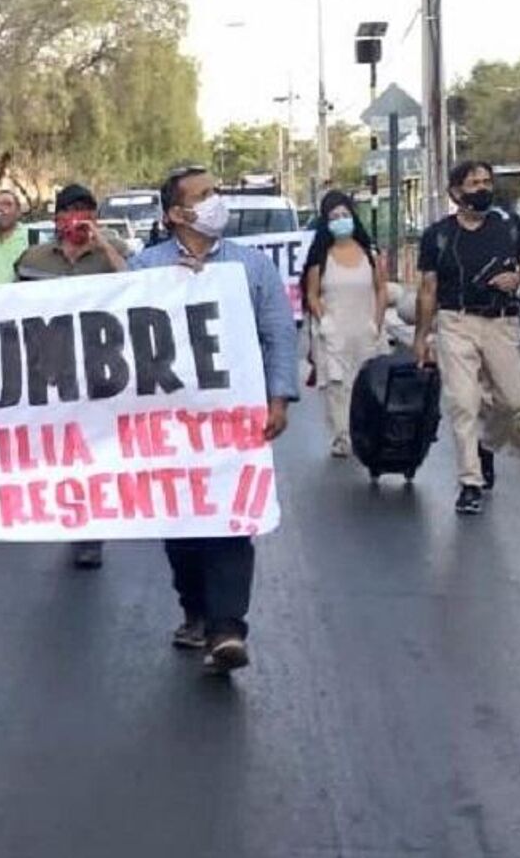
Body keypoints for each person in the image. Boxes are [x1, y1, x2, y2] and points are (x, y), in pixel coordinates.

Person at [133, 167, 297, 675]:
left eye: (215, 192)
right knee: (181, 523)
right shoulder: (143, 269)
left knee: (230, 518)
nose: (215, 202)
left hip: (233, 424)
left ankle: (228, 627)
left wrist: (279, 397)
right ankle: (196, 609)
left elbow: (279, 334)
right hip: (168, 426)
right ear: (176, 215)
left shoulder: (252, 267)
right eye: (203, 196)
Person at [413, 161, 520, 515]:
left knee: (512, 401)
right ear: (456, 192)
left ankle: (488, 446)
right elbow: (427, 289)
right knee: (464, 403)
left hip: (501, 323)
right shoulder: (438, 235)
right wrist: (421, 337)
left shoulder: (510, 227)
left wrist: (517, 279)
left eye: (486, 182)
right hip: (456, 322)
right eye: (473, 183)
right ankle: (470, 481)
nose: (482, 188)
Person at [13, 184, 128, 570]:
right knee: (61, 450)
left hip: (97, 367)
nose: (79, 219)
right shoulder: (33, 259)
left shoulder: (112, 257)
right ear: (56, 219)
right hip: (49, 367)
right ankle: (68, 512)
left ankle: (89, 532)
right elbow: (10, 310)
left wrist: (105, 246)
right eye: (71, 211)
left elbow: (138, 288)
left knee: (92, 451)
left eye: (87, 212)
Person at [300, 191, 388, 458]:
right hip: (333, 332)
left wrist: (377, 322)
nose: (341, 220)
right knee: (337, 388)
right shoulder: (320, 258)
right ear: (326, 222)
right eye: (334, 217)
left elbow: (381, 289)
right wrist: (323, 321)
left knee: (368, 383)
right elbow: (312, 294)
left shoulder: (370, 254)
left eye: (345, 215)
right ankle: (342, 436)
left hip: (366, 329)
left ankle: (368, 432)